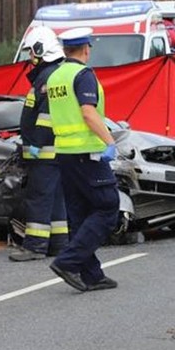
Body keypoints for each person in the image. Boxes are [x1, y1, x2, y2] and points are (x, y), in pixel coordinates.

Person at [46, 27, 119, 292]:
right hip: (88, 153)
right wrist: (110, 141)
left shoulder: (55, 77)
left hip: (64, 154)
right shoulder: (83, 75)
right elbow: (88, 112)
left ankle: (92, 275)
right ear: (86, 48)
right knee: (108, 207)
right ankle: (68, 261)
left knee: (79, 215)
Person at [9, 27, 69, 262]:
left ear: (41, 50)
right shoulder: (55, 74)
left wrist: (34, 143)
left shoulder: (47, 79)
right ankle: (59, 244)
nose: (29, 58)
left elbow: (45, 117)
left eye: (31, 52)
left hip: (44, 154)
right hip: (57, 154)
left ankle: (35, 246)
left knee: (39, 198)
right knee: (55, 201)